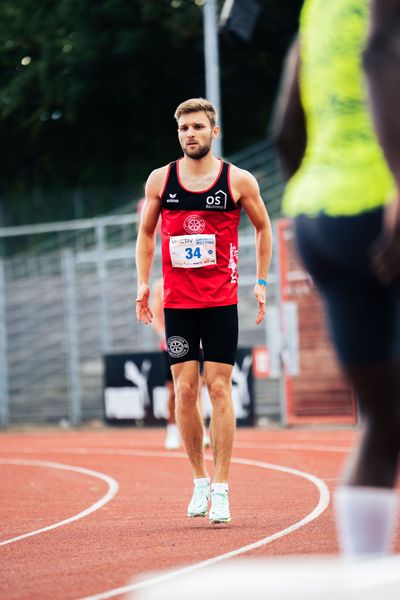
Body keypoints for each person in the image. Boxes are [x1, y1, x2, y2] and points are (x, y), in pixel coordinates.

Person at [273, 0, 400, 555]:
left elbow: (283, 126)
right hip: (380, 202)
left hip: (318, 214)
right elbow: (381, 54)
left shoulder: (316, 10)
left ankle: (363, 575)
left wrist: (308, 202)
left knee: (381, 419)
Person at [136, 97, 272, 524]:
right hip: (177, 303)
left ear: (214, 132)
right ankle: (198, 481)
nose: (190, 134)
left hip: (219, 301)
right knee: (185, 390)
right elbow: (145, 233)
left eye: (197, 127)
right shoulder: (161, 180)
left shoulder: (238, 181)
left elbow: (263, 227)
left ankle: (222, 487)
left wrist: (261, 281)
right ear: (178, 134)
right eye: (183, 128)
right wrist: (142, 283)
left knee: (219, 389)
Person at [150, 277, 211, 450]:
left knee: (197, 387)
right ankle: (172, 430)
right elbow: (155, 315)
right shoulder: (160, 285)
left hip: (195, 342)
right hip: (172, 344)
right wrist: (164, 334)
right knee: (174, 391)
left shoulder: (194, 279)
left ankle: (202, 431)